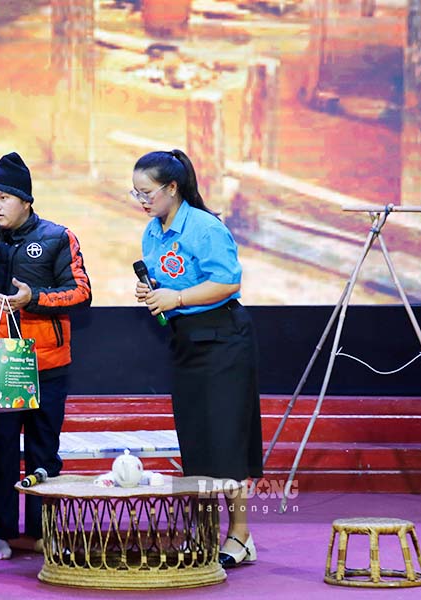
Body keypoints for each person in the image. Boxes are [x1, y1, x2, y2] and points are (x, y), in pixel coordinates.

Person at [0, 152, 92, 560]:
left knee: (44, 452)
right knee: (3, 453)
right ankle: (2, 535)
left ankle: (43, 532)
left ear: (25, 199)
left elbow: (82, 292)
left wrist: (36, 299)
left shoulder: (58, 237)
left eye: (3, 198)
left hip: (48, 362)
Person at [131, 149, 263, 568]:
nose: (143, 200)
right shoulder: (152, 232)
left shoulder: (205, 227)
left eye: (148, 192)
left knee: (225, 440)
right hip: (186, 339)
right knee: (197, 439)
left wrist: (180, 297)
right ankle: (205, 532)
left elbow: (228, 282)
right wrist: (154, 296)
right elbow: (169, 286)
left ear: (173, 188)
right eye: (136, 194)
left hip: (223, 338)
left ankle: (240, 536)